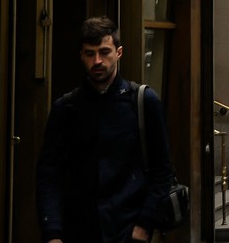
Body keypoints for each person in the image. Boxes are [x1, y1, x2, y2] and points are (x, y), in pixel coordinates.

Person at [37, 16, 176, 243]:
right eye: (90, 54)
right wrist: (52, 231)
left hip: (128, 228)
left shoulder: (142, 101)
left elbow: (163, 170)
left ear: (118, 53)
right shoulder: (66, 108)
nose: (97, 61)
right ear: (81, 55)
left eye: (104, 52)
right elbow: (49, 175)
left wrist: (143, 226)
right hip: (79, 229)